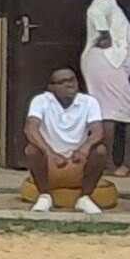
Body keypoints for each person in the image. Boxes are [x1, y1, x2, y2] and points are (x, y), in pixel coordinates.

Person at [21, 67, 113, 212]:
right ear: (51, 87)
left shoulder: (89, 101)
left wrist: (84, 149)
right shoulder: (41, 100)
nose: (69, 84)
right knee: (31, 150)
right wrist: (50, 154)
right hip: (50, 162)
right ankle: (45, 196)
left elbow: (98, 131)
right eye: (62, 82)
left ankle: (84, 198)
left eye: (72, 80)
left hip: (79, 161)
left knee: (100, 151)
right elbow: (30, 129)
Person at [78, 0, 130, 168]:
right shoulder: (105, 0)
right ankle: (108, 162)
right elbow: (96, 12)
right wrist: (104, 33)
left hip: (112, 62)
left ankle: (126, 160)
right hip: (105, 60)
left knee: (128, 109)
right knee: (111, 110)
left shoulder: (116, 8)